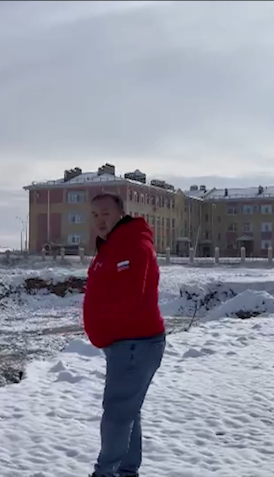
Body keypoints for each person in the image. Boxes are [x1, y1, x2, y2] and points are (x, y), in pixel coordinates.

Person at [83, 192, 166, 477]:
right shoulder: (111, 246)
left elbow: (130, 296)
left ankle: (105, 473)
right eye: (94, 215)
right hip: (125, 344)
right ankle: (127, 472)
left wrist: (105, 330)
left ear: (121, 213)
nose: (99, 220)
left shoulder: (133, 245)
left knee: (118, 415)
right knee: (127, 412)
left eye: (105, 213)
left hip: (135, 344)